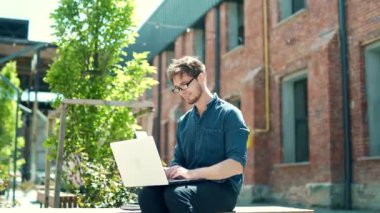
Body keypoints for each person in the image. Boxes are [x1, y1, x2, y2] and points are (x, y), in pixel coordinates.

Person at [138, 56, 249, 213]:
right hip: (189, 185)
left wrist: (191, 174)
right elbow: (178, 161)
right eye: (178, 88)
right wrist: (170, 170)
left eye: (184, 85)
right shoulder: (184, 122)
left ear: (201, 77)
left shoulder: (229, 114)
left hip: (222, 189)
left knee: (176, 195)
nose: (182, 92)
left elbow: (235, 166)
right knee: (148, 195)